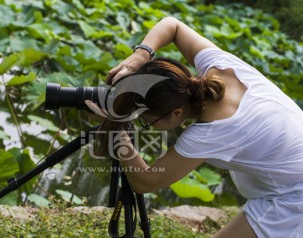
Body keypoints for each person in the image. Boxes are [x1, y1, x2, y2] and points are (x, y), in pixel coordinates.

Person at [85, 16, 303, 237]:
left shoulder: (211, 131)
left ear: (176, 113)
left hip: (295, 195)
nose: (144, 124)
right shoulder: (219, 65)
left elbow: (146, 181)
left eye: (145, 119)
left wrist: (115, 128)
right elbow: (173, 25)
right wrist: (139, 56)